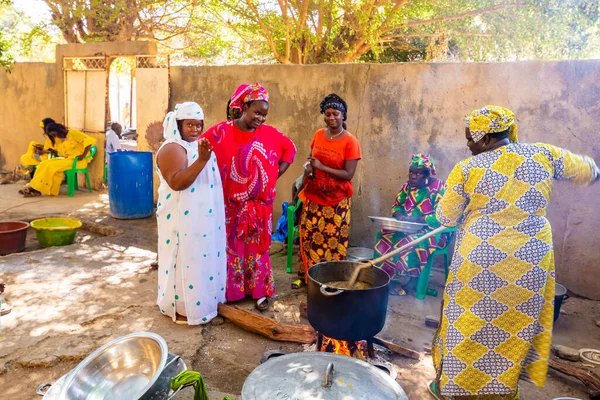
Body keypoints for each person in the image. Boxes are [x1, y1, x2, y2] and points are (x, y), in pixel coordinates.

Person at [428, 106, 600, 400]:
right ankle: (501, 392)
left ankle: (455, 390)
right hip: (530, 261)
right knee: (510, 329)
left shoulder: (467, 169)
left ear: (484, 140)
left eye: (470, 139)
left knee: (468, 323)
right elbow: (590, 171)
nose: (468, 144)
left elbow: (445, 217)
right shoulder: (544, 154)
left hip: (480, 259)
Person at [202, 83, 296, 311]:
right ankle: (232, 293)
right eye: (257, 112)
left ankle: (259, 291)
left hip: (259, 209)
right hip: (230, 208)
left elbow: (290, 150)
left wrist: (273, 176)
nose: (261, 118)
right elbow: (198, 149)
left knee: (257, 249)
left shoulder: (271, 134)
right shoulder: (220, 132)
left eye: (264, 114)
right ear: (243, 107)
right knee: (231, 247)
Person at [155, 102, 226, 325]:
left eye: (198, 125)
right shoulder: (172, 148)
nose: (195, 130)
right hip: (180, 220)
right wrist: (203, 160)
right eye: (189, 125)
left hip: (199, 218)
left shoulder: (196, 145)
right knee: (183, 260)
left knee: (199, 259)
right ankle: (184, 308)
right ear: (178, 124)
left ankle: (201, 305)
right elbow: (177, 183)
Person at [294, 94, 362, 289]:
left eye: (335, 114)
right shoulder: (318, 134)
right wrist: (309, 167)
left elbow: (348, 174)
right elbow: (310, 157)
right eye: (327, 114)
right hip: (314, 197)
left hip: (336, 202)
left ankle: (329, 282)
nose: (331, 117)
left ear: (343, 116)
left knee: (332, 242)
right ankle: (306, 278)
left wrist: (322, 167)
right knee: (308, 238)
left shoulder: (350, 142)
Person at [373, 154, 447, 296]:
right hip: (407, 228)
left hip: (433, 232)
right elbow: (396, 207)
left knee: (410, 242)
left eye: (417, 173)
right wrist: (399, 215)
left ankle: (413, 281)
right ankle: (388, 278)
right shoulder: (407, 187)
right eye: (411, 172)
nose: (412, 176)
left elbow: (441, 217)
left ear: (427, 174)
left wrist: (416, 220)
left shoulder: (439, 188)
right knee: (384, 236)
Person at [20, 123, 97, 197]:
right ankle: (35, 187)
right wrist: (51, 151)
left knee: (50, 166)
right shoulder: (60, 139)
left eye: (55, 134)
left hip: (78, 161)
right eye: (53, 135)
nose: (56, 136)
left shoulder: (73, 133)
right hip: (67, 159)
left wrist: (83, 155)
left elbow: (89, 142)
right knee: (43, 164)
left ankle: (35, 189)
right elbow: (61, 152)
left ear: (59, 129)